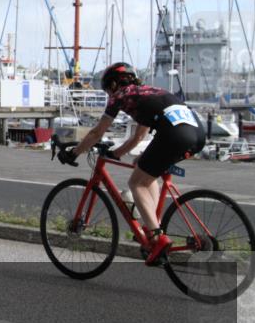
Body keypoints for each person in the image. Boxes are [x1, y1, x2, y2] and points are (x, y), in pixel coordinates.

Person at [57, 63, 206, 265]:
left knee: (137, 183)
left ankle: (157, 237)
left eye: (108, 89)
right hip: (197, 134)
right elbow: (138, 137)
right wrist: (117, 153)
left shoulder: (120, 96)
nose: (109, 94)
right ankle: (155, 227)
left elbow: (96, 133)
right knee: (145, 170)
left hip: (174, 135)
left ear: (114, 84)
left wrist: (74, 153)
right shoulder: (148, 92)